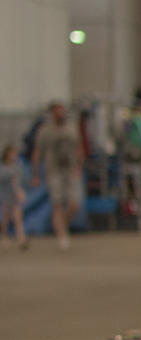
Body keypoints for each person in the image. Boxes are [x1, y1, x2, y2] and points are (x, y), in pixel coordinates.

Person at [33, 101, 82, 249]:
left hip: (70, 169)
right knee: (57, 204)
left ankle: (63, 224)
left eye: (63, 111)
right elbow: (37, 152)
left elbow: (79, 147)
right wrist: (35, 174)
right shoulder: (45, 131)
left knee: (74, 205)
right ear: (52, 113)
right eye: (58, 111)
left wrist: (79, 166)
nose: (61, 114)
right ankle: (61, 235)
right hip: (53, 171)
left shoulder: (72, 128)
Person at [0, 142, 25, 249]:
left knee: (17, 218)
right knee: (5, 219)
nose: (14, 156)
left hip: (15, 198)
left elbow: (19, 181)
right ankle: (3, 236)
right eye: (12, 153)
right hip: (5, 197)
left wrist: (20, 192)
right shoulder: (3, 168)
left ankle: (21, 239)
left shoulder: (17, 167)